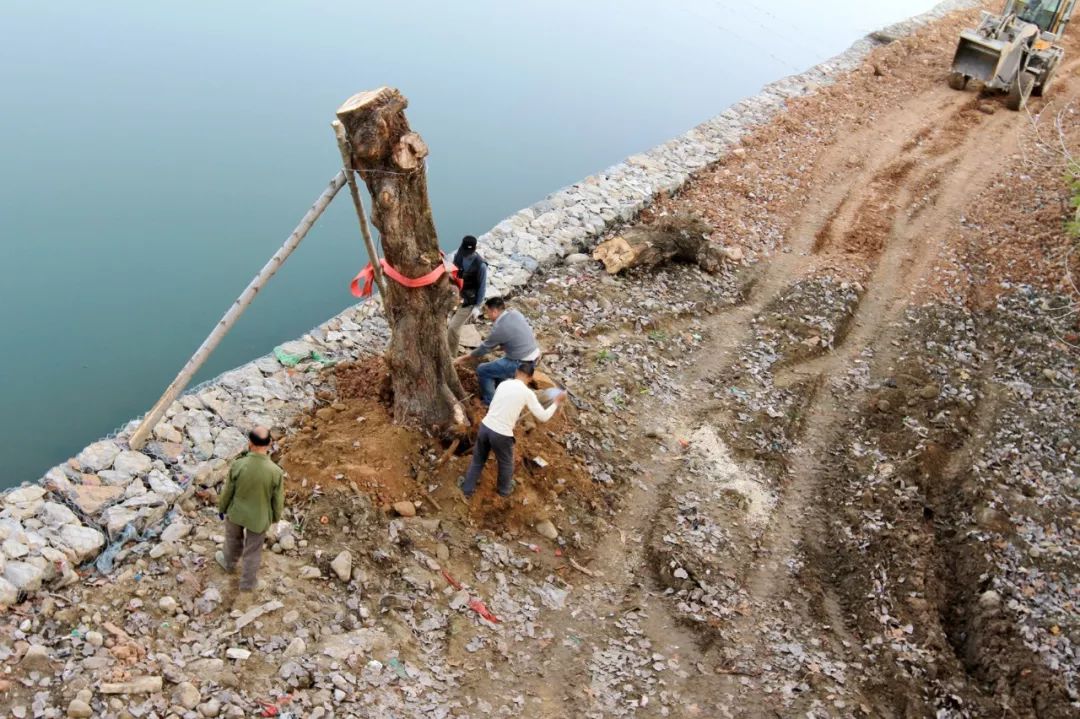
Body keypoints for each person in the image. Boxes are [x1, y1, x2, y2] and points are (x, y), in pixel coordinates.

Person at [458, 361, 565, 499]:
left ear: (516, 373)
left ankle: (467, 489)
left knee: (478, 459)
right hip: (501, 434)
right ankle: (504, 491)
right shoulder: (527, 393)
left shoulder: (503, 384)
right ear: (530, 378)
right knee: (506, 463)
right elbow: (543, 417)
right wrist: (556, 402)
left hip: (485, 427)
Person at [215, 426, 284, 593]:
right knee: (253, 551)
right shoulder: (276, 472)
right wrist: (275, 517)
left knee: (232, 540)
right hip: (259, 518)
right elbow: (278, 500)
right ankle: (248, 583)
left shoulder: (239, 465)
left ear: (250, 443)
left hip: (236, 513)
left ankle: (229, 563)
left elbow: (228, 491)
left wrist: (222, 508)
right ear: (269, 444)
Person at [454, 297, 541, 405]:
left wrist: (463, 358)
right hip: (533, 356)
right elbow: (516, 335)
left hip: (520, 364)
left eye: (487, 311)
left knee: (482, 370)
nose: (486, 315)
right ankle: (500, 395)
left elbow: (483, 349)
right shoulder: (515, 314)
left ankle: (490, 402)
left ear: (494, 311)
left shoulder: (500, 328)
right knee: (499, 373)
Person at [447, 235, 488, 352]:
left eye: (468, 252)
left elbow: (482, 287)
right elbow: (454, 273)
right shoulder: (459, 255)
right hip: (457, 296)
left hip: (469, 301)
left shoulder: (481, 266)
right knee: (452, 324)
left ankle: (451, 357)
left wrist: (477, 306)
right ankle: (448, 346)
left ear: (474, 249)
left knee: (453, 328)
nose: (465, 254)